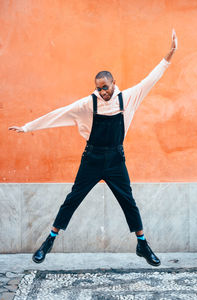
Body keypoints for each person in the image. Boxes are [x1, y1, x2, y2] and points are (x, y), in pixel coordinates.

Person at [9, 29, 177, 267]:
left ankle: (142, 244)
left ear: (113, 83)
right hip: (92, 159)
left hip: (116, 160)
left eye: (105, 87)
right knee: (72, 199)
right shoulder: (88, 103)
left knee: (128, 201)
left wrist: (170, 53)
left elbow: (152, 78)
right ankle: (49, 242)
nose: (102, 91)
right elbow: (60, 114)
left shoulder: (128, 98)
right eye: (99, 88)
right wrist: (28, 127)